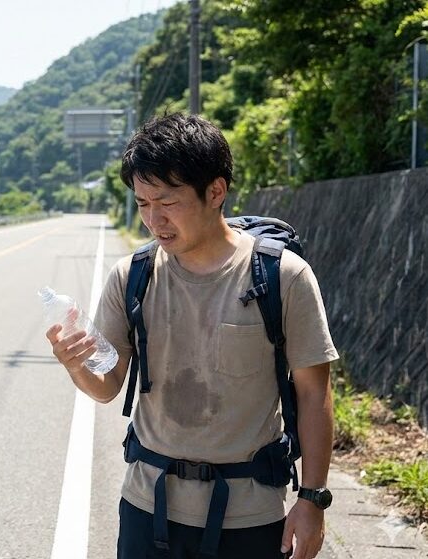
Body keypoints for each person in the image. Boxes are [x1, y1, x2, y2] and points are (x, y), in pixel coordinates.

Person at [46, 113, 338, 559]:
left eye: (167, 201)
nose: (154, 219)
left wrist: (313, 499)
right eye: (143, 203)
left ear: (215, 192)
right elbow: (106, 387)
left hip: (250, 516)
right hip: (148, 508)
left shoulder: (282, 277)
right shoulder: (132, 277)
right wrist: (75, 365)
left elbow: (315, 394)